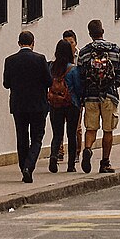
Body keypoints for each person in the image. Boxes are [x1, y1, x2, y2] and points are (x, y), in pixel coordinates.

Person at [77, 19, 120, 174]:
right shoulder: (115, 49)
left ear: (90, 33)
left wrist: (86, 91)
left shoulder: (84, 52)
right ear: (102, 31)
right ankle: (105, 162)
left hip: (90, 96)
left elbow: (80, 75)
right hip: (109, 96)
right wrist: (112, 85)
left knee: (91, 128)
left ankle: (88, 149)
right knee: (108, 130)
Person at [2, 30, 51, 184]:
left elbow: (6, 84)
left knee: (21, 136)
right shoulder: (40, 59)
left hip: (18, 105)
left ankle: (23, 165)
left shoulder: (10, 60)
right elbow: (49, 82)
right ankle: (29, 166)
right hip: (38, 105)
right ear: (33, 43)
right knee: (37, 137)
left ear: (19, 43)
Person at [47, 38, 82, 173]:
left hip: (55, 103)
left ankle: (53, 156)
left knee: (57, 133)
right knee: (71, 134)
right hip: (71, 103)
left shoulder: (51, 67)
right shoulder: (73, 69)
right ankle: (71, 165)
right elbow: (78, 87)